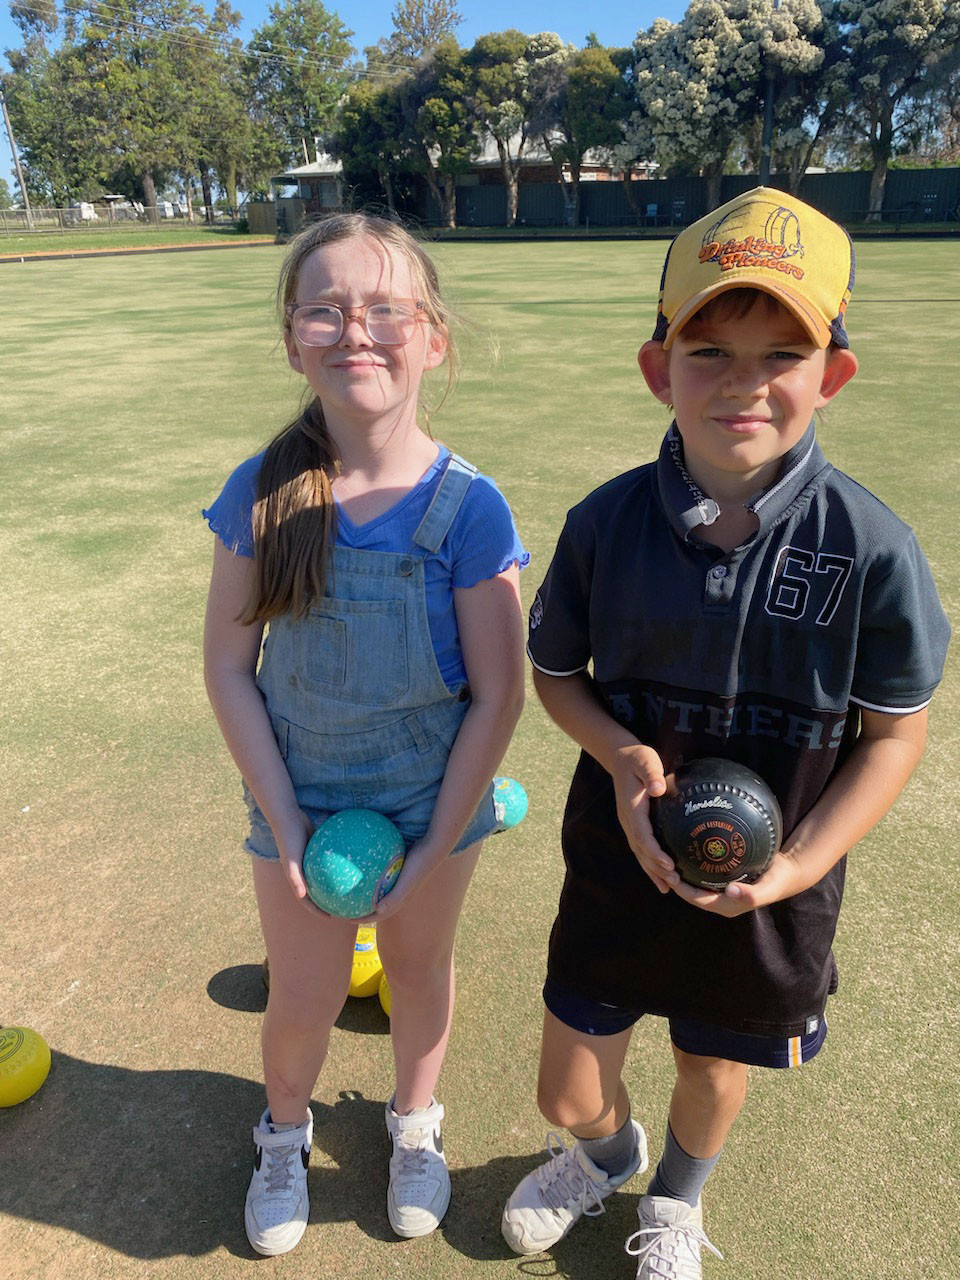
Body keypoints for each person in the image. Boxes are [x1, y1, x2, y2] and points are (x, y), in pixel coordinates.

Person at [501, 187, 950, 1278]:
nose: (744, 381)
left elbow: (895, 735)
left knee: (712, 1057)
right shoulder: (605, 523)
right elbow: (556, 671)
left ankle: (676, 1197)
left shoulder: (873, 548)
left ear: (829, 375)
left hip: (773, 882)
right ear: (660, 368)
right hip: (620, 855)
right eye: (709, 348)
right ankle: (608, 1155)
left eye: (780, 352)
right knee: (566, 1084)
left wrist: (799, 865)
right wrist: (618, 755)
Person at [202, 212, 527, 1256]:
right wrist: (287, 824)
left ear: (433, 334)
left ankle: (414, 1125)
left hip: (435, 801)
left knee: (422, 973)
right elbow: (228, 667)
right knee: (304, 991)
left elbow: (499, 696)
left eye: (386, 308)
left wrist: (439, 835)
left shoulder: (470, 510)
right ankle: (284, 1132)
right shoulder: (262, 492)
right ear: (293, 336)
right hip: (297, 797)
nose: (358, 330)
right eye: (327, 309)